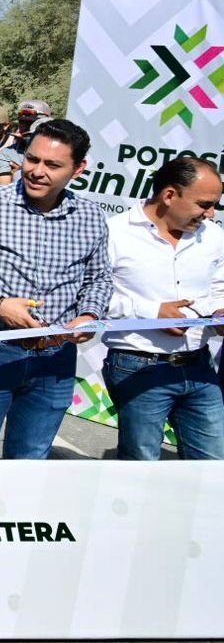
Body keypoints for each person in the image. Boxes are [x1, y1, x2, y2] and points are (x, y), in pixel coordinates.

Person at [0, 119, 111, 459]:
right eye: (32, 159)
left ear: (78, 169)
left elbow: (99, 279)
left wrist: (89, 314)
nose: (37, 171)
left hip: (55, 358)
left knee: (31, 460)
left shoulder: (90, 217)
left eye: (52, 165)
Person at [102, 156, 224, 460]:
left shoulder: (214, 237)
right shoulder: (114, 233)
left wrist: (220, 313)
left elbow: (219, 289)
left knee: (212, 464)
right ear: (169, 195)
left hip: (200, 367)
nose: (210, 214)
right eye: (204, 204)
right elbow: (94, 299)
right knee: (142, 466)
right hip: (138, 367)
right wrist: (151, 313)